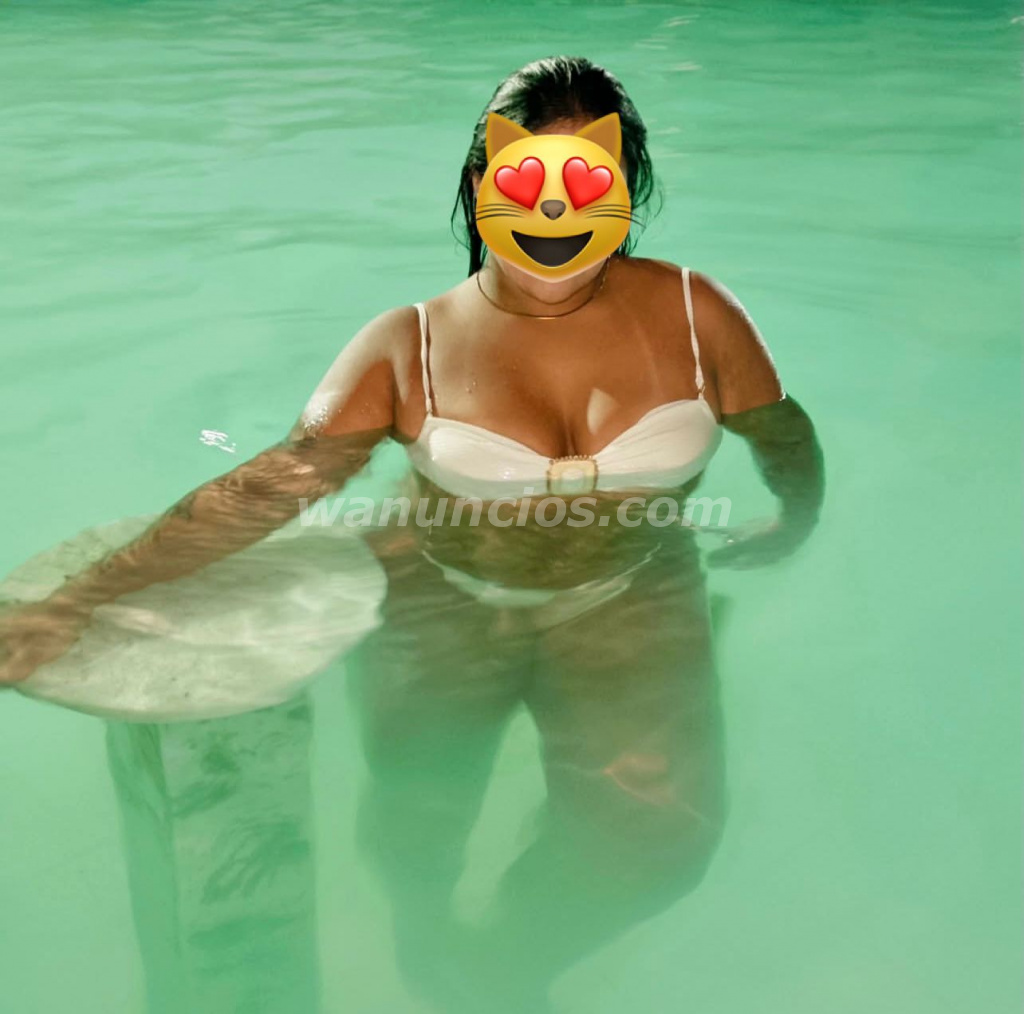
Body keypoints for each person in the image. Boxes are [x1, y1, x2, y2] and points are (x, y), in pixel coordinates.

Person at [0, 55, 824, 1011]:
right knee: (417, 821)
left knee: (656, 842)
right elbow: (271, 485)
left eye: (587, 180)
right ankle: (425, 937)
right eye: (524, 179)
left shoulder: (697, 316)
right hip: (442, 593)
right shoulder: (408, 344)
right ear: (480, 184)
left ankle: (501, 969)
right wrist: (81, 599)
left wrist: (795, 515)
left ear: (625, 189)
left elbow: (780, 430)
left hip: (630, 591)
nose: (554, 213)